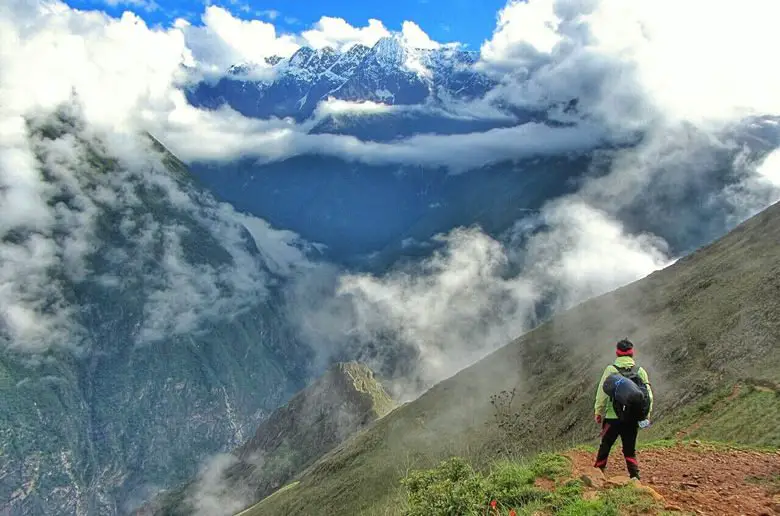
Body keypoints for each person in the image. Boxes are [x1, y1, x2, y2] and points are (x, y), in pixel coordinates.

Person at [593, 338, 653, 480]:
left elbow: (601, 393)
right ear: (632, 354)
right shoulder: (640, 371)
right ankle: (634, 476)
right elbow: (648, 395)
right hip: (632, 418)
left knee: (606, 445)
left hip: (613, 417)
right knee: (629, 449)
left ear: (617, 353)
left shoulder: (611, 370)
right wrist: (646, 414)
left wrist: (598, 411)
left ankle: (597, 473)